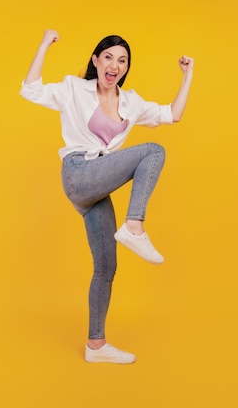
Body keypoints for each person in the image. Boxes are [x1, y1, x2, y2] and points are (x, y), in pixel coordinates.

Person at [20, 29, 194, 364]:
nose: (115, 65)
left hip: (97, 184)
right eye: (109, 57)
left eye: (122, 60)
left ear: (126, 68)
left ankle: (95, 346)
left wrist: (188, 75)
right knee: (153, 151)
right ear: (96, 61)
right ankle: (134, 226)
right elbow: (30, 89)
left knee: (106, 266)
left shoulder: (131, 102)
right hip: (78, 173)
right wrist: (43, 45)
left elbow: (173, 114)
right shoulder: (73, 88)